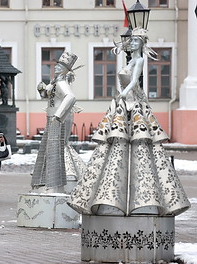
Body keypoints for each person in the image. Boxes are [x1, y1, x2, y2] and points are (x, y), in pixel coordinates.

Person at [68, 28, 190, 216]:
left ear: (142, 44)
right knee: (116, 143)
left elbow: (134, 81)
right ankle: (111, 194)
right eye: (131, 41)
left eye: (136, 41)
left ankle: (142, 197)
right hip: (123, 103)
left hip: (133, 103)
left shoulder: (139, 61)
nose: (132, 44)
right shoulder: (131, 60)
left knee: (137, 143)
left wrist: (123, 94)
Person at [31, 51, 85, 194]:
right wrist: (42, 90)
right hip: (53, 117)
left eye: (59, 66)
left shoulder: (61, 82)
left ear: (66, 69)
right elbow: (50, 97)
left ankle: (58, 184)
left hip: (58, 118)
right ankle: (51, 184)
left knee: (56, 148)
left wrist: (58, 115)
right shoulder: (55, 82)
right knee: (51, 148)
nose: (55, 68)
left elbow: (70, 97)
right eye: (56, 65)